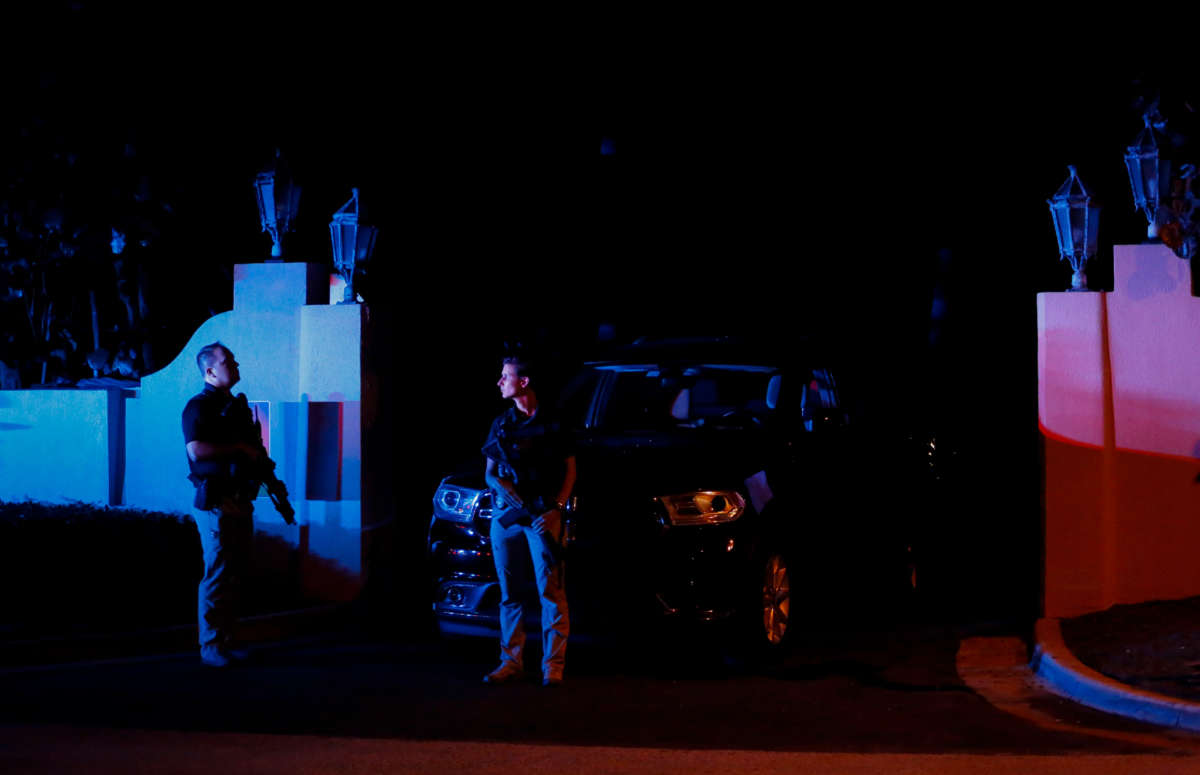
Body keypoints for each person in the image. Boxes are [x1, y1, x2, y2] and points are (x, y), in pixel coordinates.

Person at [181, 342, 281, 667]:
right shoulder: (198, 407)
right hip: (216, 501)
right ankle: (211, 648)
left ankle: (227, 641)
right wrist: (239, 448)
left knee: (234, 573)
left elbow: (254, 449)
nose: (235, 365)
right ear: (209, 370)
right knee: (218, 573)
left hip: (239, 498)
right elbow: (195, 451)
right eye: (227, 361)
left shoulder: (235, 406)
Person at [481, 355, 577, 687]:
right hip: (509, 517)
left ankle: (553, 665)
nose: (499, 382)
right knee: (510, 592)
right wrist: (504, 489)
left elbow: (570, 470)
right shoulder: (502, 423)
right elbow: (490, 474)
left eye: (505, 376)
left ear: (523, 382)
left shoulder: (554, 422)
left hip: (543, 515)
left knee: (551, 591)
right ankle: (511, 661)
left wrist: (556, 508)